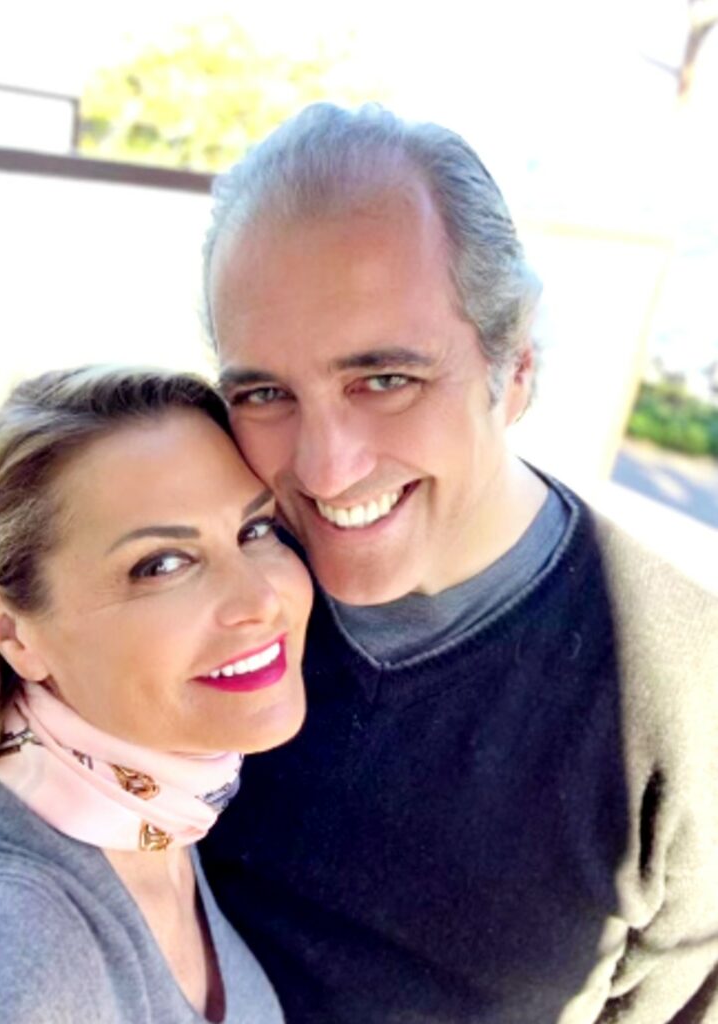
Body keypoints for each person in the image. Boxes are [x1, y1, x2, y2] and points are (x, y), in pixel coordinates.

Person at [200, 103, 718, 1023]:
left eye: (385, 380)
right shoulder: (192, 597)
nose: (323, 469)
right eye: (267, 393)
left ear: (513, 370)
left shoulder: (685, 695)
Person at [0, 365, 313, 1023]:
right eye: (162, 565)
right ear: (9, 629)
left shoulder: (167, 815)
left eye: (254, 530)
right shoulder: (3, 927)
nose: (262, 600)